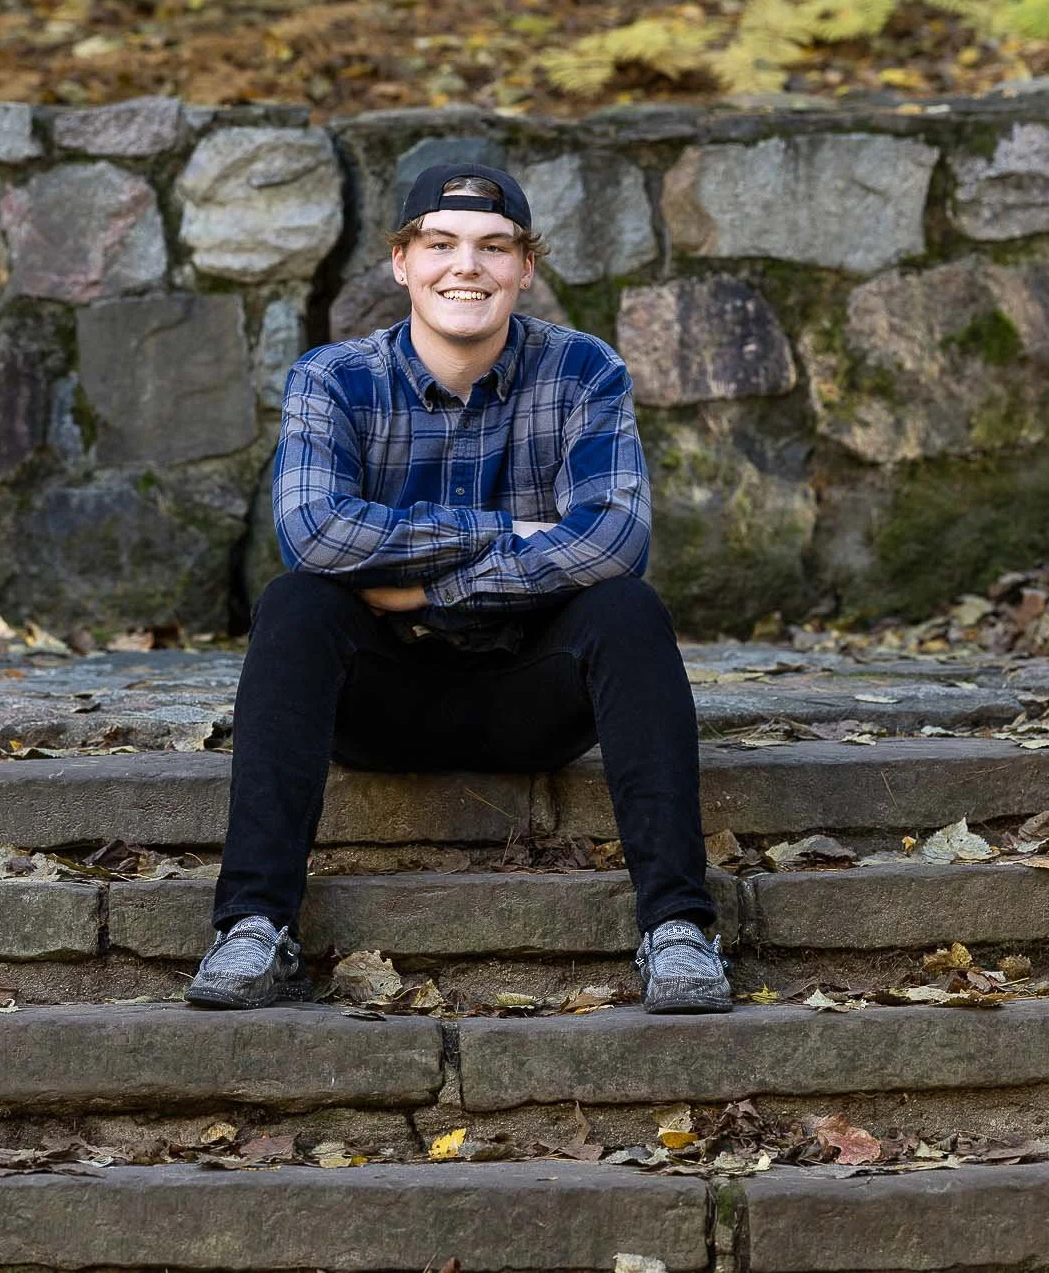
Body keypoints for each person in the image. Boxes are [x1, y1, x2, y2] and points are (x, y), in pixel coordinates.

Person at [184, 163, 730, 1014]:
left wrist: (428, 594)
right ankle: (254, 924)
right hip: (379, 702)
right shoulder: (332, 378)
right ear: (402, 262)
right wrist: (500, 532)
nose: (465, 266)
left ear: (525, 268)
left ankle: (678, 929)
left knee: (627, 607)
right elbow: (314, 533)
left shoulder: (585, 372)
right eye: (440, 244)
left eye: (492, 247)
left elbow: (617, 537)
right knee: (296, 602)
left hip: (531, 697)